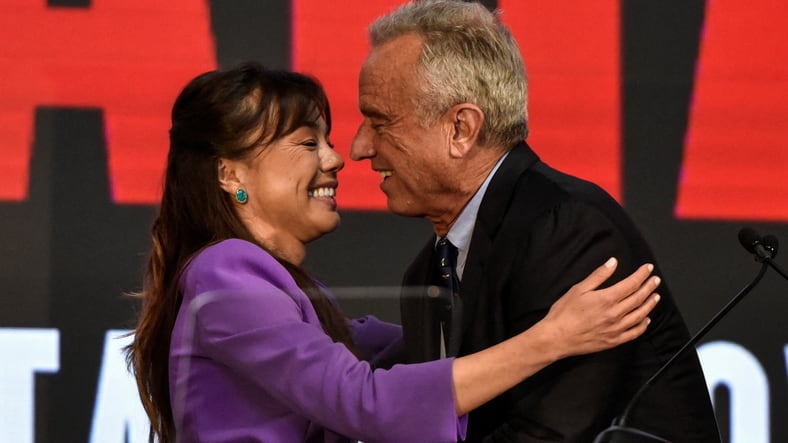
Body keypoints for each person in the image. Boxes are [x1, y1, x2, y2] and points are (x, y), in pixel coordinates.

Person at [125, 62, 660, 443]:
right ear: (230, 173)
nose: (338, 158)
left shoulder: (272, 288)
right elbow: (365, 401)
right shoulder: (227, 274)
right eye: (308, 144)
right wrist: (550, 339)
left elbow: (411, 350)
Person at [349, 1, 721, 442]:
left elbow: (549, 433)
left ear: (461, 129)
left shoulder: (568, 230)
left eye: (379, 121)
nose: (359, 147)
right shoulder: (430, 270)